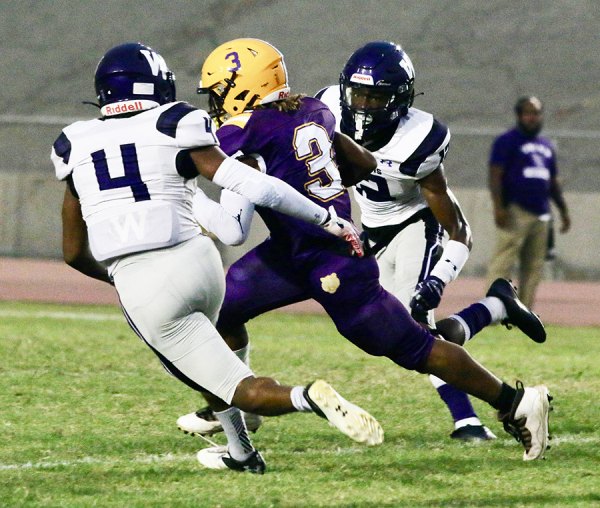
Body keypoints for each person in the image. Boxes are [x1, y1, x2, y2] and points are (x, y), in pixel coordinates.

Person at [178, 38, 552, 464]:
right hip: (292, 252)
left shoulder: (244, 128)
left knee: (416, 346)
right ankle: (243, 403)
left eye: (219, 90)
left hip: (329, 260)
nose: (215, 101)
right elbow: (364, 164)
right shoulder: (312, 109)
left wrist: (175, 182)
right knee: (221, 309)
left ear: (241, 87)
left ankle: (514, 402)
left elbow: (217, 201)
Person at [51, 41, 386, 475]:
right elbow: (258, 188)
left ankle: (306, 396)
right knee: (211, 359)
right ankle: (242, 453)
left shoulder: (72, 143)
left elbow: (73, 252)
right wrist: (326, 218)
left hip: (141, 278)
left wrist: (117, 278)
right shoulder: (176, 122)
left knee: (232, 383)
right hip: (201, 262)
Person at [487, 96, 571, 308]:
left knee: (534, 266)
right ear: (519, 116)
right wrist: (499, 207)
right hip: (515, 209)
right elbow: (495, 175)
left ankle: (524, 312)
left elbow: (552, 182)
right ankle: (492, 308)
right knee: (504, 260)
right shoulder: (507, 141)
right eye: (528, 113)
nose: (532, 118)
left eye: (536, 113)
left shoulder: (546, 145)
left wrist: (563, 211)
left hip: (541, 212)